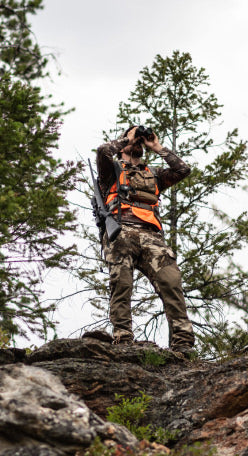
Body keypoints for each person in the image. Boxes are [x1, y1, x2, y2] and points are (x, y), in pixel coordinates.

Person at [95, 125, 194, 352]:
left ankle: (183, 342)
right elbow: (102, 151)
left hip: (152, 236)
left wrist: (156, 146)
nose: (137, 142)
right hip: (121, 232)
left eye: (139, 139)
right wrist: (125, 140)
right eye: (134, 138)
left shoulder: (154, 174)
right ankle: (123, 337)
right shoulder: (111, 170)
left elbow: (183, 170)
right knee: (122, 285)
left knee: (171, 282)